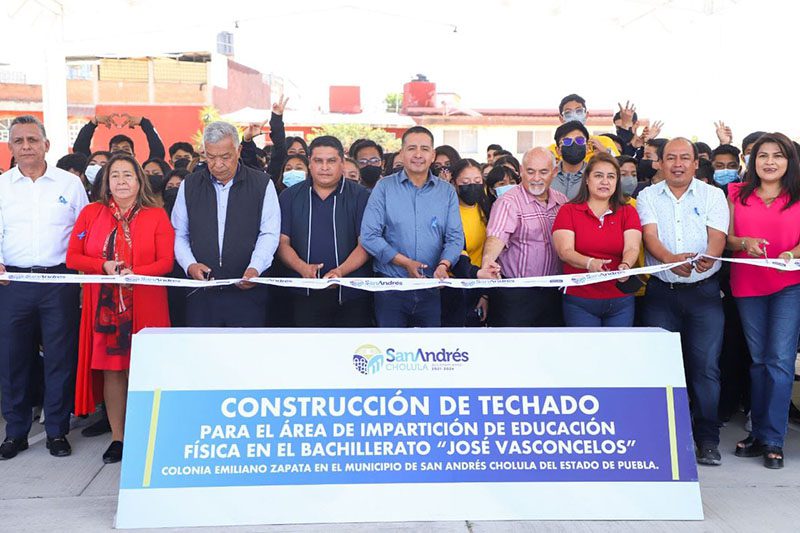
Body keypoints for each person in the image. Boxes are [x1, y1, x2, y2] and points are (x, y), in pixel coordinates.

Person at [66, 153, 174, 464]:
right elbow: (73, 257)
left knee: (143, 369)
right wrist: (103, 265)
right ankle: (118, 437)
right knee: (112, 370)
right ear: (106, 182)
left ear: (139, 181)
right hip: (105, 308)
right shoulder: (91, 213)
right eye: (115, 175)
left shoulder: (156, 215)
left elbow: (166, 262)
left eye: (128, 175)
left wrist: (135, 273)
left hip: (146, 304)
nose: (121, 181)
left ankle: (146, 435)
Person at [0, 115, 89, 459]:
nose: (26, 146)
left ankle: (56, 430)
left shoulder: (70, 184)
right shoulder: (2, 185)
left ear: (46, 145)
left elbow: (83, 231)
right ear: (10, 147)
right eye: (18, 141)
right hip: (13, 282)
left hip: (59, 282)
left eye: (32, 140)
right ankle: (16, 432)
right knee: (13, 360)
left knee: (60, 359)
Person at [636, 137, 729, 466]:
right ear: (660, 163)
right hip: (662, 293)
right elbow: (649, 235)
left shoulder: (713, 195)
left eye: (685, 158)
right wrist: (669, 260)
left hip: (704, 294)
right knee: (659, 368)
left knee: (706, 369)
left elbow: (717, 237)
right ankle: (661, 438)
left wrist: (709, 257)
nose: (678, 164)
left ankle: (707, 439)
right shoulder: (647, 196)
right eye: (671, 158)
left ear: (695, 162)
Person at [726, 132, 800, 469]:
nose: (770, 162)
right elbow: (726, 238)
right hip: (748, 284)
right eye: (763, 156)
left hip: (789, 285)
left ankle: (773, 439)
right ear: (752, 161)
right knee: (758, 361)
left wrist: (791, 253)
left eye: (778, 155)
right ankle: (757, 434)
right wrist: (744, 243)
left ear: (789, 161)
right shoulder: (736, 193)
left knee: (780, 361)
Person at [171, 121, 280, 327]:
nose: (218, 164)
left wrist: (255, 268)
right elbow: (179, 233)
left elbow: (269, 233)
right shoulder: (190, 185)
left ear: (238, 151)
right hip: (201, 293)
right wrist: (190, 265)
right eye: (211, 157)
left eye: (225, 157)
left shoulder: (262, 184)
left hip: (248, 293)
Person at [360, 126, 464, 327]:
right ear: (402, 153)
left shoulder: (447, 192)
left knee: (429, 346)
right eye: (411, 148)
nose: (418, 154)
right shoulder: (384, 187)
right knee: (390, 345)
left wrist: (444, 265)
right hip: (391, 287)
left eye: (424, 149)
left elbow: (455, 238)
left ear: (432, 155)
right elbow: (369, 236)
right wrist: (405, 263)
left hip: (431, 287)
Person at [278, 136, 372, 327]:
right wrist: (302, 268)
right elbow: (281, 242)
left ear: (342, 163)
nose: (324, 167)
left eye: (331, 161)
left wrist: (340, 272)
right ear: (310, 163)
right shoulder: (290, 196)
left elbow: (366, 243)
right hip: (303, 292)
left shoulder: (361, 195)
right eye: (318, 161)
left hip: (351, 294)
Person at [552, 153, 642, 326]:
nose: (605, 182)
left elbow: (632, 247)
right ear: (587, 179)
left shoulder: (628, 211)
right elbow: (565, 251)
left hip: (620, 299)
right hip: (580, 299)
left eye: (611, 176)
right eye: (599, 176)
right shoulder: (568, 211)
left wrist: (626, 265)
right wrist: (589, 263)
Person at [483, 147, 568, 327]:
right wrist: (488, 261)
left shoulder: (562, 202)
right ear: (521, 171)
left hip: (554, 291)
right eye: (530, 172)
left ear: (554, 172)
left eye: (543, 172)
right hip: (516, 295)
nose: (536, 178)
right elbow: (497, 237)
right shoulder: (508, 202)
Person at [443, 158, 491, 326]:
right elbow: (456, 253)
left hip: (480, 285)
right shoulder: (448, 212)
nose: (472, 186)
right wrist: (476, 274)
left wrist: (485, 294)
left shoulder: (486, 208)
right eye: (465, 182)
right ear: (454, 183)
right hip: (453, 286)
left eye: (477, 182)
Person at [73, 113, 165, 161]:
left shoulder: (142, 177)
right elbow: (80, 150)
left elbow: (158, 153)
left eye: (126, 149)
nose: (121, 152)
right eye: (116, 149)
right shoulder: (100, 176)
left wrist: (144, 123)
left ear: (133, 155)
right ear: (109, 154)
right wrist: (92, 123)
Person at [551, 120, 591, 200]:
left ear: (587, 147)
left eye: (580, 140)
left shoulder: (594, 175)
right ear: (558, 150)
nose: (574, 144)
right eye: (567, 141)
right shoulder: (548, 176)